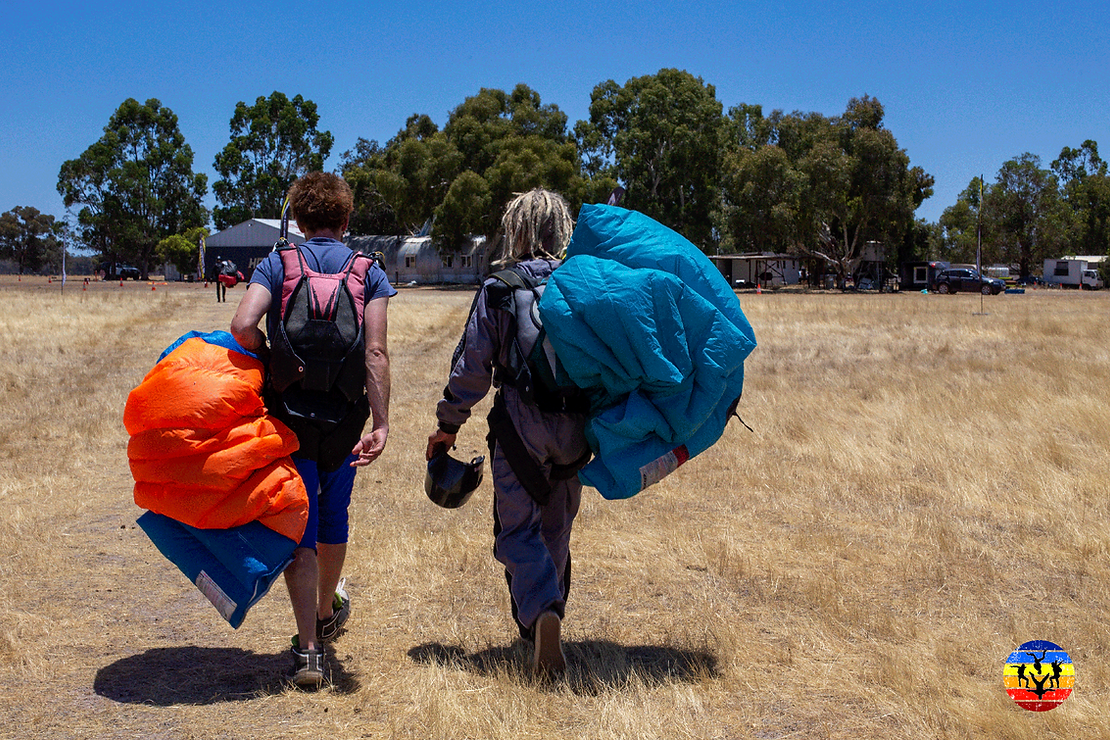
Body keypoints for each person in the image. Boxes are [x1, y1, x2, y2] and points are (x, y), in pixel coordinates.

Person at [231, 172, 395, 687]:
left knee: (298, 525)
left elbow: (241, 326)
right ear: (346, 221)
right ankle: (326, 612)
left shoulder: (277, 263)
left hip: (290, 419)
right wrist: (383, 421)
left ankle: (307, 652)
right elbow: (374, 350)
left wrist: (270, 352)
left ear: (299, 221)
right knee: (334, 514)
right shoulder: (369, 271)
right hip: (345, 420)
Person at [426, 188, 590, 677]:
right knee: (556, 525)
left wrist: (448, 425)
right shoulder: (583, 282)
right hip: (578, 429)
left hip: (521, 425)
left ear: (515, 228)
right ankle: (547, 613)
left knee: (517, 529)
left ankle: (541, 614)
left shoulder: (500, 288)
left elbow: (471, 368)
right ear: (559, 229)